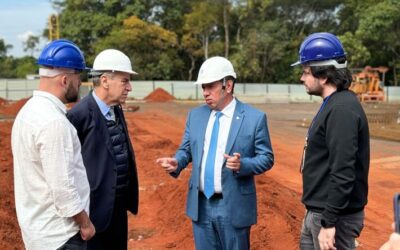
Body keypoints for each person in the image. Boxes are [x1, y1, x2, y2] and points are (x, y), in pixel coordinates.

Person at [156, 56, 274, 250]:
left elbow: (267, 158)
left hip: (233, 206)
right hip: (201, 206)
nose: (205, 92)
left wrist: (243, 165)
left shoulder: (254, 118)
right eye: (203, 87)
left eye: (210, 86)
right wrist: (178, 161)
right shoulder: (195, 116)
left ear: (228, 85)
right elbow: (186, 149)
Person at [11, 39, 95, 250]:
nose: (80, 83)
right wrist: (85, 224)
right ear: (65, 80)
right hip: (61, 236)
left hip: (39, 232)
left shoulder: (28, 112)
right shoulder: (54, 123)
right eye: (78, 77)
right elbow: (63, 189)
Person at [291, 32, 370, 250]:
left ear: (324, 76)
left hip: (335, 219)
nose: (301, 78)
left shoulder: (342, 110)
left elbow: (344, 170)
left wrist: (329, 221)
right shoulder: (333, 104)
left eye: (306, 72)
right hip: (318, 212)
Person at [67, 49, 139, 250]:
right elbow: (68, 168)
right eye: (125, 81)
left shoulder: (115, 108)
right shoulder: (79, 115)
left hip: (116, 210)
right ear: (105, 81)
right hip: (92, 214)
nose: (129, 87)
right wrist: (81, 218)